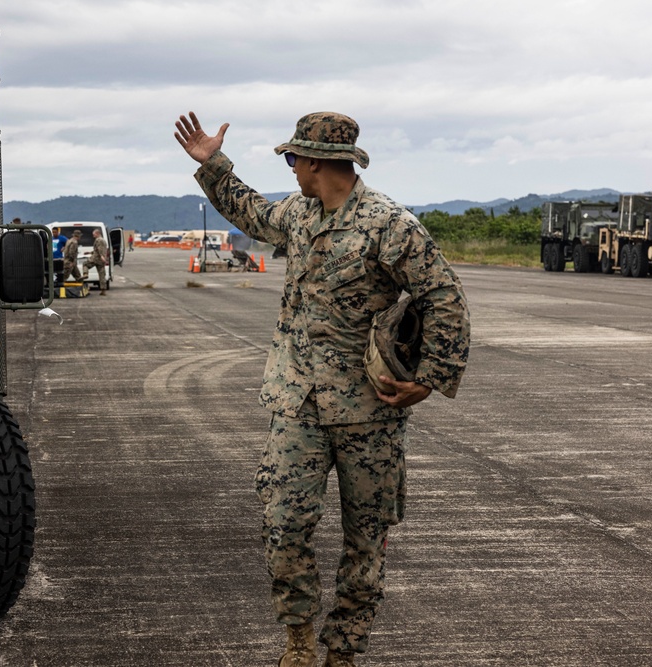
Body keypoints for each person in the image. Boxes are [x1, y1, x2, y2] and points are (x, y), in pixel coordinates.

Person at [175, 111, 470, 667]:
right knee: (283, 524)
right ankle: (299, 639)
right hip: (298, 403)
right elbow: (252, 211)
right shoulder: (299, 214)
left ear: (315, 161)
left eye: (291, 159)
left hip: (368, 411)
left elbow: (444, 297)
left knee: (367, 539)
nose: (288, 169)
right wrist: (212, 165)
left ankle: (344, 652)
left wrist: (430, 379)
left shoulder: (389, 225)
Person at [82, 228, 109, 295]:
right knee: (102, 275)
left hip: (96, 258)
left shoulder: (98, 240)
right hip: (101, 260)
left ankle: (85, 274)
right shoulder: (104, 240)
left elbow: (99, 249)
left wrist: (101, 256)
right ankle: (103, 290)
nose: (93, 236)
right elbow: (99, 249)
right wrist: (89, 252)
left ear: (97, 234)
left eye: (94, 234)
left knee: (85, 264)